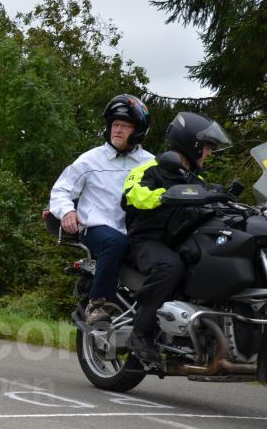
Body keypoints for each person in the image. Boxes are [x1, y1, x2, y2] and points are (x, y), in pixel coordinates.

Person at [121, 111, 232, 362]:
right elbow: (132, 195)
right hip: (146, 243)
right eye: (207, 147)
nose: (209, 153)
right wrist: (165, 195)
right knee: (170, 267)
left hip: (180, 242)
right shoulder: (149, 169)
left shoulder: (195, 179)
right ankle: (140, 332)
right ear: (191, 144)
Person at [48, 94, 154, 325]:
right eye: (115, 124)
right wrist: (67, 212)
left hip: (134, 232)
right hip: (97, 229)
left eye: (125, 126)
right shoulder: (90, 160)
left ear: (138, 131)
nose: (118, 130)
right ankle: (96, 303)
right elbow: (60, 190)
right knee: (115, 242)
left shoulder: (150, 163)